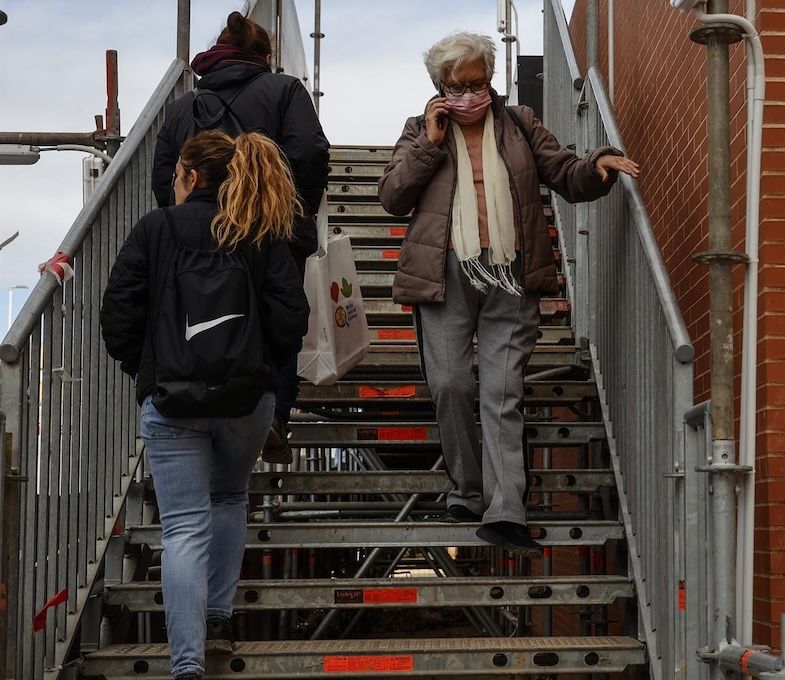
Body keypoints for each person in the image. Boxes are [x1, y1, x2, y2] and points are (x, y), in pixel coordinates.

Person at [379, 32, 639, 556]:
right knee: (452, 385)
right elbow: (392, 197)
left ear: (490, 80)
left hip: (511, 274)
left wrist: (598, 166)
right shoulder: (418, 131)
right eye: (457, 86)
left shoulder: (519, 123)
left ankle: (507, 510)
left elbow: (565, 171)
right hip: (445, 274)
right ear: (438, 88)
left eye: (477, 83)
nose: (469, 94)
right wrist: (430, 145)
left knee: (502, 395)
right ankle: (468, 489)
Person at [102, 130, 309, 680]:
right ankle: (218, 614)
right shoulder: (259, 233)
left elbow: (118, 315)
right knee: (229, 496)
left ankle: (188, 664)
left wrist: (147, 372)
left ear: (191, 176)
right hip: (247, 402)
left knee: (184, 528)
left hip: (171, 404)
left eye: (174, 175)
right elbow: (291, 319)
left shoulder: (155, 229)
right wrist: (259, 368)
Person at [153, 10, 330, 464]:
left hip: (200, 233)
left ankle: (202, 397)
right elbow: (310, 150)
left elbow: (163, 172)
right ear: (264, 55)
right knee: (277, 312)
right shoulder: (286, 90)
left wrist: (182, 220)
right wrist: (295, 208)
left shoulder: (183, 107)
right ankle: (272, 410)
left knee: (206, 311)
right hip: (273, 226)